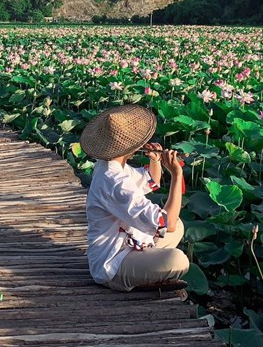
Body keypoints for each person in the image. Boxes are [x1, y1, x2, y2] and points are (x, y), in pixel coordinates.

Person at [80, 104, 189, 295]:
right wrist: (176, 175)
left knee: (179, 224)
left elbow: (150, 181)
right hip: (113, 262)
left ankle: (147, 269)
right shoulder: (114, 181)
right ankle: (134, 279)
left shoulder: (110, 165)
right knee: (178, 260)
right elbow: (166, 223)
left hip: (129, 241)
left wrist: (155, 160)